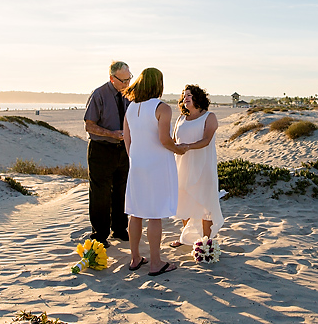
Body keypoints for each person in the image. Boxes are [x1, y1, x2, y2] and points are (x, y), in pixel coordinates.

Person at [122, 68, 184, 276]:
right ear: (158, 84)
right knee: (154, 214)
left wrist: (134, 158)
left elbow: (127, 138)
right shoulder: (162, 108)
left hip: (137, 164)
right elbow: (164, 140)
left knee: (136, 212)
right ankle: (156, 262)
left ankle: (135, 258)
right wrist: (179, 149)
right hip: (157, 165)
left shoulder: (131, 107)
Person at [84, 61, 132, 248]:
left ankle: (120, 229)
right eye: (123, 80)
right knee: (100, 193)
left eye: (129, 78)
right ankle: (100, 234)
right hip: (101, 149)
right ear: (112, 78)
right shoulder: (99, 94)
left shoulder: (130, 94)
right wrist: (112, 133)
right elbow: (89, 125)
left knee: (122, 191)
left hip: (124, 151)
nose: (127, 83)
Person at [171, 84, 223, 247]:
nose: (185, 98)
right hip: (182, 164)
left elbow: (206, 140)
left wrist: (187, 147)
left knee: (205, 201)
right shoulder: (180, 119)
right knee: (183, 199)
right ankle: (186, 237)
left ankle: (206, 241)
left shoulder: (209, 117)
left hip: (203, 165)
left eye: (189, 95)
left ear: (198, 98)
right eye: (184, 95)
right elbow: (174, 141)